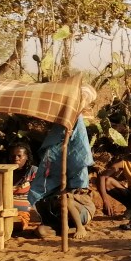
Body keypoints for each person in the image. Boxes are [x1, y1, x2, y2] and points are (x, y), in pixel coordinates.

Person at [29, 84, 97, 237]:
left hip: (77, 206)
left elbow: (79, 153)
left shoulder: (75, 122)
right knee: (41, 232)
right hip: (58, 213)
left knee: (66, 199)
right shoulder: (61, 126)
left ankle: (80, 228)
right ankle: (65, 229)